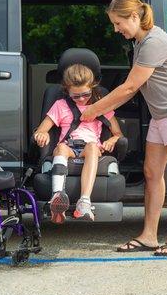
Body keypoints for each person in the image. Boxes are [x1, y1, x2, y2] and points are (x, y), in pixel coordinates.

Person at [80, 0, 167, 256]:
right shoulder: (140, 42)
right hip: (161, 114)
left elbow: (129, 88)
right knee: (151, 173)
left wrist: (93, 110)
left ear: (134, 17)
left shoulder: (154, 42)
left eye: (118, 23)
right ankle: (149, 235)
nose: (116, 30)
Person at [34, 63, 122, 223]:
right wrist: (42, 135)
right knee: (60, 147)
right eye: (76, 96)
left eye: (86, 94)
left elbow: (118, 133)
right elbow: (41, 130)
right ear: (67, 90)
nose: (81, 99)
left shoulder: (100, 104)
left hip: (90, 148)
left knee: (93, 147)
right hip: (68, 146)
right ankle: (57, 197)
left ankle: (84, 202)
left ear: (93, 87)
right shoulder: (60, 105)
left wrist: (112, 139)